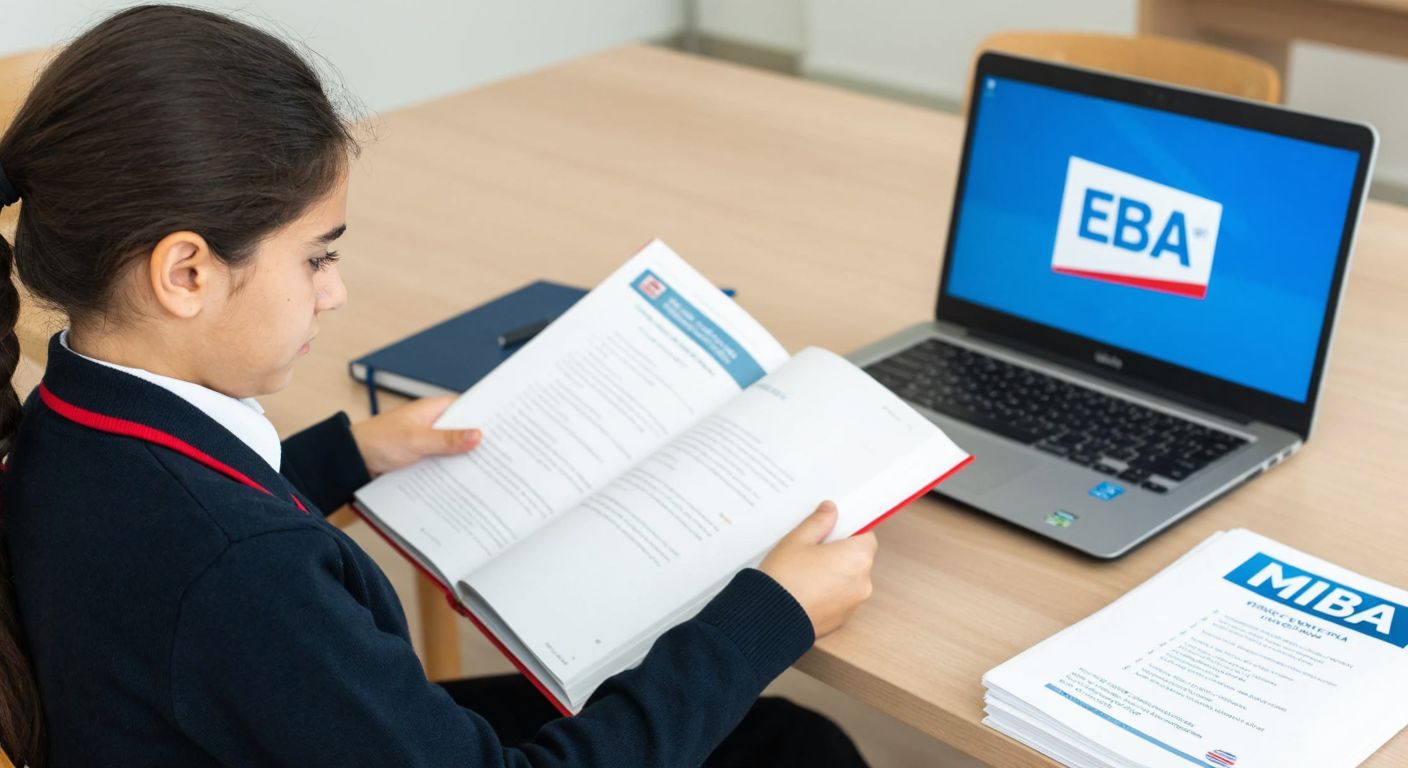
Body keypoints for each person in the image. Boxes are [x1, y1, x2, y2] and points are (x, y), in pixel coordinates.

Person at [0, 6, 879, 766]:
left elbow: (185, 544)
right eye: (318, 255)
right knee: (796, 749)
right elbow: (228, 569)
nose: (334, 290)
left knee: (779, 742)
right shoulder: (244, 573)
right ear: (185, 273)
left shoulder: (67, 413)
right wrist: (768, 615)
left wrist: (346, 451)